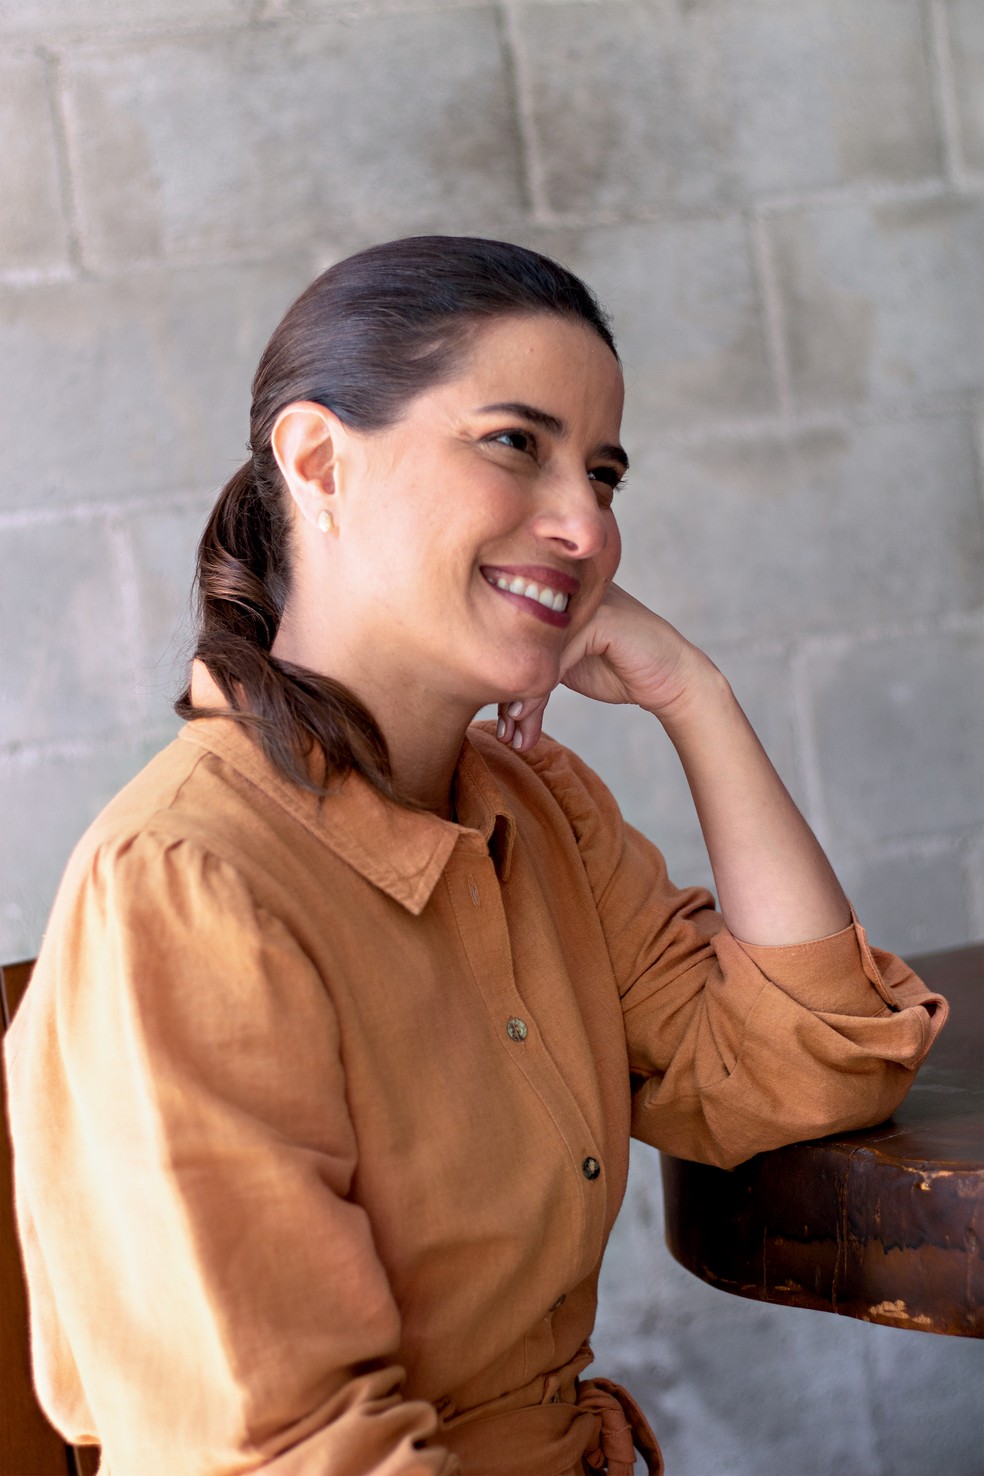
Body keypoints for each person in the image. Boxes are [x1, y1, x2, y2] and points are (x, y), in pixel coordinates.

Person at [5, 237, 946, 1476]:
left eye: (603, 474)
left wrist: (695, 697)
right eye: (517, 443)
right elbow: (281, 1452)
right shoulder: (186, 887)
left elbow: (809, 1062)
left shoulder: (528, 807)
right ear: (318, 460)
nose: (585, 525)